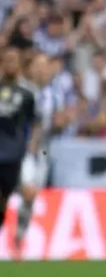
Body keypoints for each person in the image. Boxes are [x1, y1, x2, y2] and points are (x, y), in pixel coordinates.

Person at [12, 53, 64, 258]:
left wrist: (62, 122)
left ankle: (20, 234)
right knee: (28, 189)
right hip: (22, 148)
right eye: (38, 65)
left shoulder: (53, 94)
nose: (42, 69)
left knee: (32, 196)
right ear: (30, 68)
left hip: (43, 150)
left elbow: (55, 124)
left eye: (45, 65)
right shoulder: (21, 90)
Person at [0, 46, 39, 242]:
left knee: (29, 190)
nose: (10, 64)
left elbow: (36, 122)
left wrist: (33, 145)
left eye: (13, 60)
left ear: (19, 64)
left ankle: (22, 228)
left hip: (19, 152)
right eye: (6, 59)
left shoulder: (28, 92)